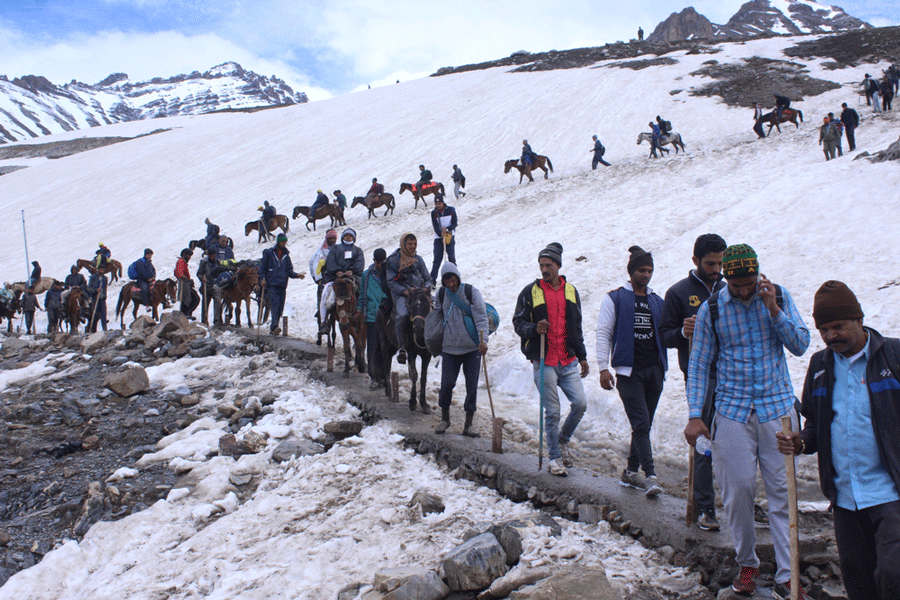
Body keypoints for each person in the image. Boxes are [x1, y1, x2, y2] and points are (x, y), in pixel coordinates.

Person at [684, 244, 811, 598]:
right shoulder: (713, 308)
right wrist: (695, 414)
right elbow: (699, 364)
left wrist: (773, 311)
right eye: (736, 284)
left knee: (782, 493)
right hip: (733, 409)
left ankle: (789, 574)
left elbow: (800, 344)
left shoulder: (778, 297)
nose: (743, 291)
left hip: (778, 410)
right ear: (726, 278)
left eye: (749, 283)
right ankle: (747, 563)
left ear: (758, 275)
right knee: (737, 490)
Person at [776, 281, 900, 600]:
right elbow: (816, 425)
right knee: (859, 584)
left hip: (890, 493)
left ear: (858, 319)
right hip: (845, 498)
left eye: (839, 326)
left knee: (893, 575)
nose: (832, 336)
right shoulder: (820, 366)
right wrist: (800, 441)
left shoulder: (894, 357)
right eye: (824, 329)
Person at [660, 233, 727, 529]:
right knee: (703, 438)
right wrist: (681, 332)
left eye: (720, 263)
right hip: (699, 374)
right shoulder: (678, 292)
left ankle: (743, 501)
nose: (716, 269)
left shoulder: (729, 290)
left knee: (737, 438)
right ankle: (705, 507)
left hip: (731, 374)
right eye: (710, 263)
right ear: (695, 261)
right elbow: (663, 334)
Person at [512, 242, 589, 477]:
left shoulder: (570, 291)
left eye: (549, 265)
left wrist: (583, 357)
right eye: (542, 265)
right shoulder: (531, 292)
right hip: (544, 360)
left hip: (568, 360)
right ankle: (555, 457)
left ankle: (563, 440)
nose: (544, 269)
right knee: (553, 411)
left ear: (558, 266)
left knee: (581, 404)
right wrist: (535, 328)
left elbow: (576, 327)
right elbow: (518, 323)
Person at [597, 246, 667, 497]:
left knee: (643, 425)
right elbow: (604, 333)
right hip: (628, 372)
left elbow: (667, 331)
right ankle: (650, 475)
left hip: (655, 369)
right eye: (642, 270)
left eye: (650, 270)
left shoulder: (657, 301)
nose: (646, 275)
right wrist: (603, 368)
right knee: (641, 422)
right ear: (631, 271)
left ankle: (629, 472)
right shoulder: (615, 298)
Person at [434, 262, 489, 436]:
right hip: (449, 349)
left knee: (471, 385)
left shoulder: (471, 292)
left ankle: (469, 424)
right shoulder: (441, 294)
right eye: (447, 281)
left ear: (457, 277)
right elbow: (437, 317)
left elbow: (481, 318)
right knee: (447, 384)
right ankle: (445, 419)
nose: (451, 284)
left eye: (453, 280)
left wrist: (484, 341)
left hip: (471, 348)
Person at [385, 233, 433, 365]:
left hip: (419, 292)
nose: (412, 247)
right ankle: (402, 348)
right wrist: (405, 291)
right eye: (410, 244)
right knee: (402, 315)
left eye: (414, 244)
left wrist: (426, 289)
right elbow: (391, 282)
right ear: (403, 244)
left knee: (437, 309)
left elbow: (428, 278)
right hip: (402, 293)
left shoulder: (418, 259)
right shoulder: (393, 260)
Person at [319, 228, 364, 332]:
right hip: (335, 277)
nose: (348, 237)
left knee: (363, 292)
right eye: (346, 235)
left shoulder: (357, 250)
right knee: (326, 293)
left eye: (351, 236)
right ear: (343, 237)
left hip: (353, 278)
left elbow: (360, 263)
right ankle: (324, 321)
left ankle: (361, 312)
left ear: (354, 238)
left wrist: (352, 271)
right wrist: (337, 271)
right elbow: (330, 261)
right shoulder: (335, 249)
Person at [260, 234, 305, 336]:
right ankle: (275, 326)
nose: (284, 244)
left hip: (282, 284)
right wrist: (262, 278)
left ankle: (273, 328)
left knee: (280, 306)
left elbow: (289, 271)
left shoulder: (286, 256)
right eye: (282, 242)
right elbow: (262, 268)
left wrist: (297, 275)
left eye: (285, 242)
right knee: (275, 303)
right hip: (271, 283)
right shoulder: (269, 253)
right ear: (278, 242)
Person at [358, 248, 389, 389]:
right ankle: (373, 376)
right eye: (378, 262)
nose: (380, 265)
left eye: (382, 262)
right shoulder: (367, 275)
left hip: (386, 315)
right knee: (373, 347)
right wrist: (360, 309)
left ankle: (384, 376)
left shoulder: (390, 274)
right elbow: (362, 295)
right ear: (374, 261)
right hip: (371, 315)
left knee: (385, 348)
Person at [430, 194, 458, 283]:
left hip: (449, 236)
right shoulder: (433, 213)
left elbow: (454, 223)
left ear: (443, 202)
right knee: (437, 259)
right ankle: (432, 280)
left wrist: (448, 230)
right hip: (438, 238)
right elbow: (435, 226)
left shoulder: (451, 210)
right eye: (436, 203)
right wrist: (440, 233)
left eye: (439, 203)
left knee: (451, 258)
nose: (438, 205)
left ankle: (455, 276)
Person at [195, 247, 219, 325]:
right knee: (205, 303)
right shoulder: (204, 262)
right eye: (210, 255)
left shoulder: (217, 262)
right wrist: (202, 278)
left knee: (218, 302)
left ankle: (217, 320)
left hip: (215, 285)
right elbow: (199, 273)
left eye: (213, 255)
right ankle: (204, 320)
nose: (212, 256)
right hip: (206, 285)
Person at [174, 248, 195, 319]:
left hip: (185, 282)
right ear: (184, 254)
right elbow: (180, 273)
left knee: (185, 298)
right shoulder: (181, 261)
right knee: (193, 298)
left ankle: (184, 314)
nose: (189, 257)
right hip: (184, 283)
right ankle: (186, 314)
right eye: (188, 255)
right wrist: (187, 279)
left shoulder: (182, 261)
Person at [87, 267, 108, 332]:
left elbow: (105, 288)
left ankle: (104, 329)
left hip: (102, 298)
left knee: (103, 314)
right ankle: (93, 330)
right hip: (95, 298)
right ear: (98, 270)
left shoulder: (105, 278)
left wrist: (105, 295)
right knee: (95, 314)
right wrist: (96, 290)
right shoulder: (93, 277)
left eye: (103, 270)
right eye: (101, 270)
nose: (102, 271)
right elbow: (89, 288)